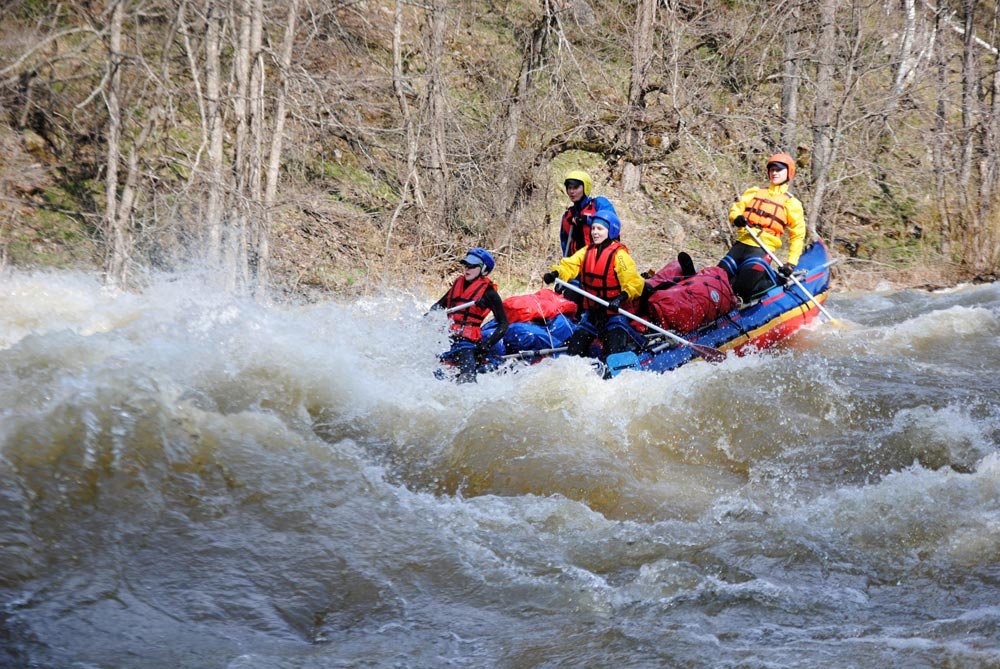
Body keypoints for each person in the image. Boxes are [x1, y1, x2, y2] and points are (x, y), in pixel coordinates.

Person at [542, 211, 645, 360]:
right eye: (593, 228)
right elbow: (570, 265)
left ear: (611, 231)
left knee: (613, 354)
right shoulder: (586, 251)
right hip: (592, 314)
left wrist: (621, 297)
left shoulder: (620, 256)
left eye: (600, 229)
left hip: (614, 315)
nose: (595, 232)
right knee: (573, 352)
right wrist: (556, 274)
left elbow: (634, 281)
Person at [719, 152, 806, 301]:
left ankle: (773, 282)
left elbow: (797, 235)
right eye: (772, 169)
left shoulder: (791, 203)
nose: (774, 173)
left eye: (779, 170)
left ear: (789, 173)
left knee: (742, 288)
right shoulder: (754, 192)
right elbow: (736, 208)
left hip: (762, 249)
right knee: (717, 280)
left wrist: (791, 263)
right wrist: (736, 217)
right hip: (741, 244)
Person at [430, 248, 509, 383]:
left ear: (483, 269)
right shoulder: (457, 285)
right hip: (447, 339)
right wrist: (428, 318)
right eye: (466, 265)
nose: (467, 269)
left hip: (467, 343)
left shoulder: (488, 293)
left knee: (468, 377)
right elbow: (437, 307)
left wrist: (487, 345)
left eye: (472, 266)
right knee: (434, 372)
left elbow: (503, 324)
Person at [559, 169, 619, 257]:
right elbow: (565, 245)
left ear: (585, 188)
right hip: (576, 264)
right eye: (569, 188)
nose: (572, 191)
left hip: (600, 259)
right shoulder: (568, 215)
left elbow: (613, 226)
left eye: (575, 187)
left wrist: (587, 220)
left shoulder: (599, 204)